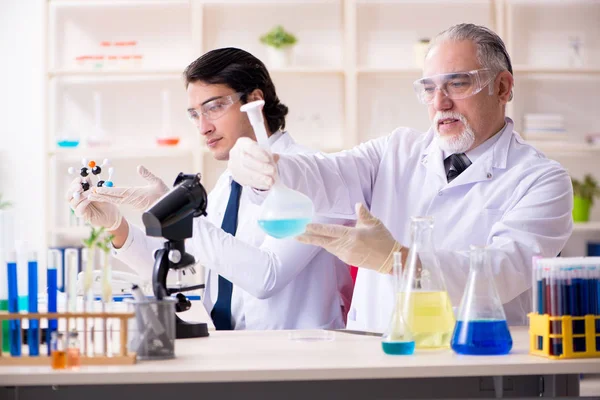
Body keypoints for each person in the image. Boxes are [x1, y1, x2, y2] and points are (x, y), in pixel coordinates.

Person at [227, 23, 573, 330]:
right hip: (374, 355)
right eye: (429, 88)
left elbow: (502, 272)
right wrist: (270, 167)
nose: (440, 102)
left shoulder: (541, 180)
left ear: (502, 88)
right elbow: (328, 174)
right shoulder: (396, 150)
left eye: (457, 84)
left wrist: (399, 259)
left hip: (470, 363)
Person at [67, 47, 353, 330]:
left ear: (255, 101)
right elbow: (178, 273)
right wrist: (117, 226)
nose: (203, 127)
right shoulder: (229, 183)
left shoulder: (315, 177)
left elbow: (267, 276)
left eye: (214, 107)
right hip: (230, 350)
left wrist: (178, 212)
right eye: (194, 114)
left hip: (297, 361)